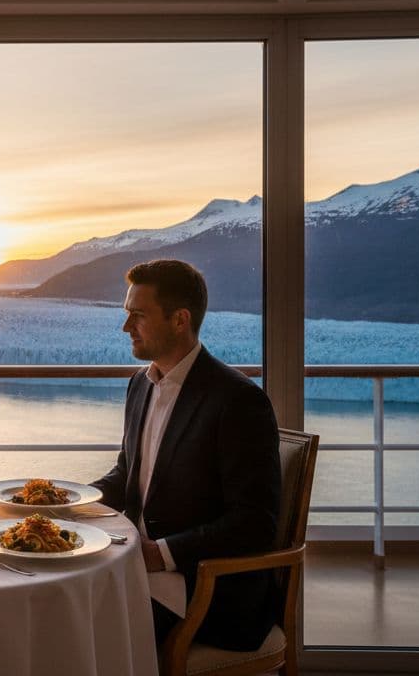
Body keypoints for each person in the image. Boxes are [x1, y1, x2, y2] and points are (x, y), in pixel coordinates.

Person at [91, 259, 281, 652]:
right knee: (61, 606)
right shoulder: (141, 386)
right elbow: (127, 474)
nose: (126, 328)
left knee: (80, 624)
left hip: (206, 589)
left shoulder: (238, 400)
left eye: (138, 316)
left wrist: (159, 554)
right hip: (142, 570)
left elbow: (255, 521)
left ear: (180, 320)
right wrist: (63, 501)